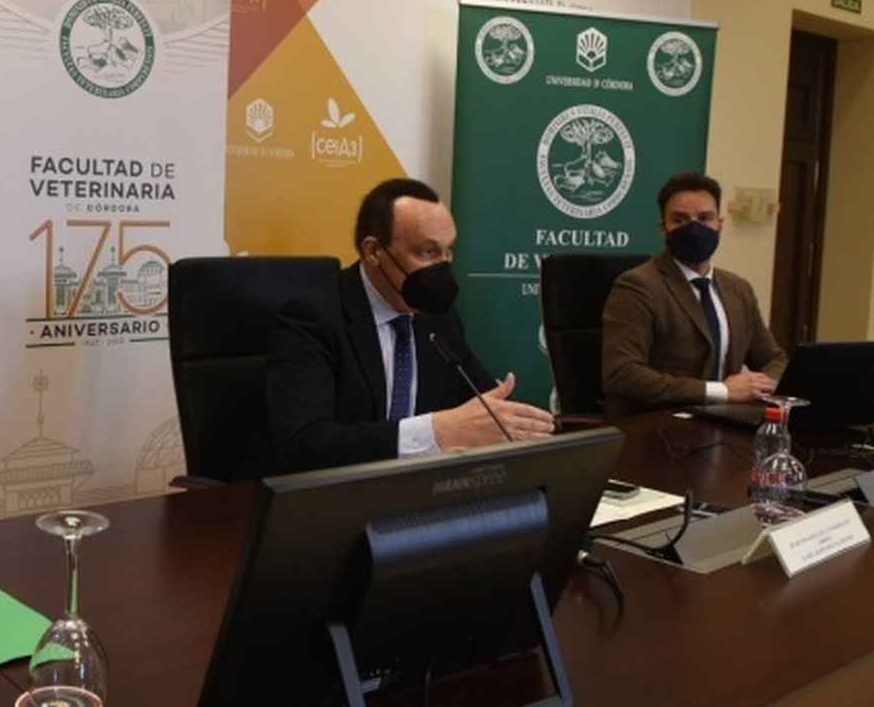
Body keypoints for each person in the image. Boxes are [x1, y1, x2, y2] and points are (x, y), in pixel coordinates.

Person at [241, 177, 554, 478]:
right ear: (374, 251)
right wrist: (435, 431)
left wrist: (516, 426)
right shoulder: (312, 319)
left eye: (449, 251)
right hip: (309, 504)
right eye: (427, 252)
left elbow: (481, 403)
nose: (443, 267)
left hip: (409, 497)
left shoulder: (437, 317)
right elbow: (307, 444)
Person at [601, 171, 787, 416]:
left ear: (720, 225)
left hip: (724, 423)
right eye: (680, 220)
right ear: (663, 229)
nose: (694, 229)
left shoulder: (739, 289)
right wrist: (721, 391)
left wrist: (765, 384)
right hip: (654, 427)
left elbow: (774, 359)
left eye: (705, 218)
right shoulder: (638, 286)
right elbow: (622, 374)